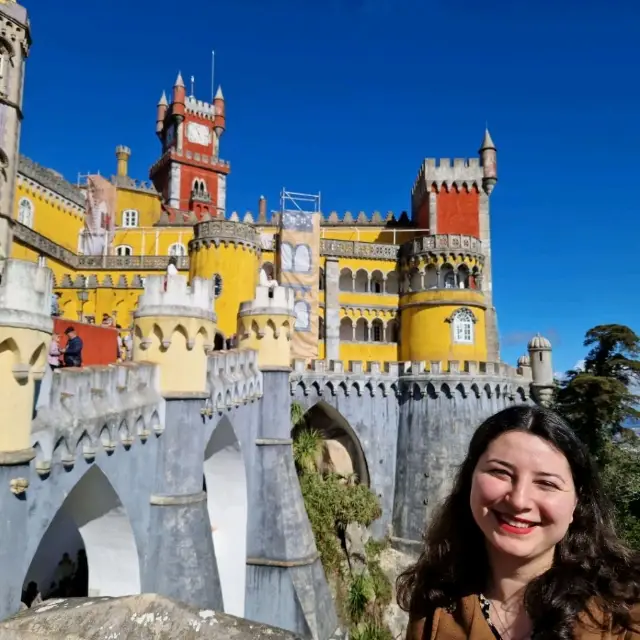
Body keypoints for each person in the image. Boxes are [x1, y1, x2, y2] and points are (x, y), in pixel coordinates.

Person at [399, 405, 640, 640]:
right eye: (500, 472)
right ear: (469, 479)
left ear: (576, 503)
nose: (518, 500)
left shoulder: (625, 614)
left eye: (547, 483)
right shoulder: (436, 601)